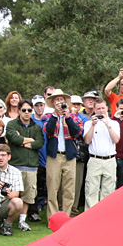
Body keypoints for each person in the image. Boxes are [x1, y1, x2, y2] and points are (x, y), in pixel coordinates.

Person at [5, 99, 44, 230]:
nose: (27, 113)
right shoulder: (11, 124)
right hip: (15, 165)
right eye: (24, 110)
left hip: (31, 166)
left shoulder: (36, 127)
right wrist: (29, 141)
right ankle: (8, 220)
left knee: (28, 195)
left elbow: (39, 143)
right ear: (19, 110)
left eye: (29, 110)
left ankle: (22, 220)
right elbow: (13, 138)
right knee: (12, 194)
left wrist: (22, 141)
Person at [42, 89, 82, 218]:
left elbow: (76, 133)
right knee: (53, 188)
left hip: (69, 156)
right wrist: (55, 115)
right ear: (53, 103)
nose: (60, 103)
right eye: (57, 100)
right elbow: (47, 130)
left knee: (69, 188)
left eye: (61, 100)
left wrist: (67, 116)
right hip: (54, 156)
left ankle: (66, 216)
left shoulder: (74, 117)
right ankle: (52, 217)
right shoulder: (48, 117)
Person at [83, 99, 120, 207]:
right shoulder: (89, 123)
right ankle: (90, 216)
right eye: (98, 109)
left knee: (109, 191)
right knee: (91, 190)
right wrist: (93, 125)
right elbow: (87, 141)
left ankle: (105, 216)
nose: (101, 111)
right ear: (94, 110)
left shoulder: (114, 123)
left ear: (107, 109)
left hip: (110, 160)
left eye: (103, 108)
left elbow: (116, 140)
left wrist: (107, 125)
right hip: (95, 159)